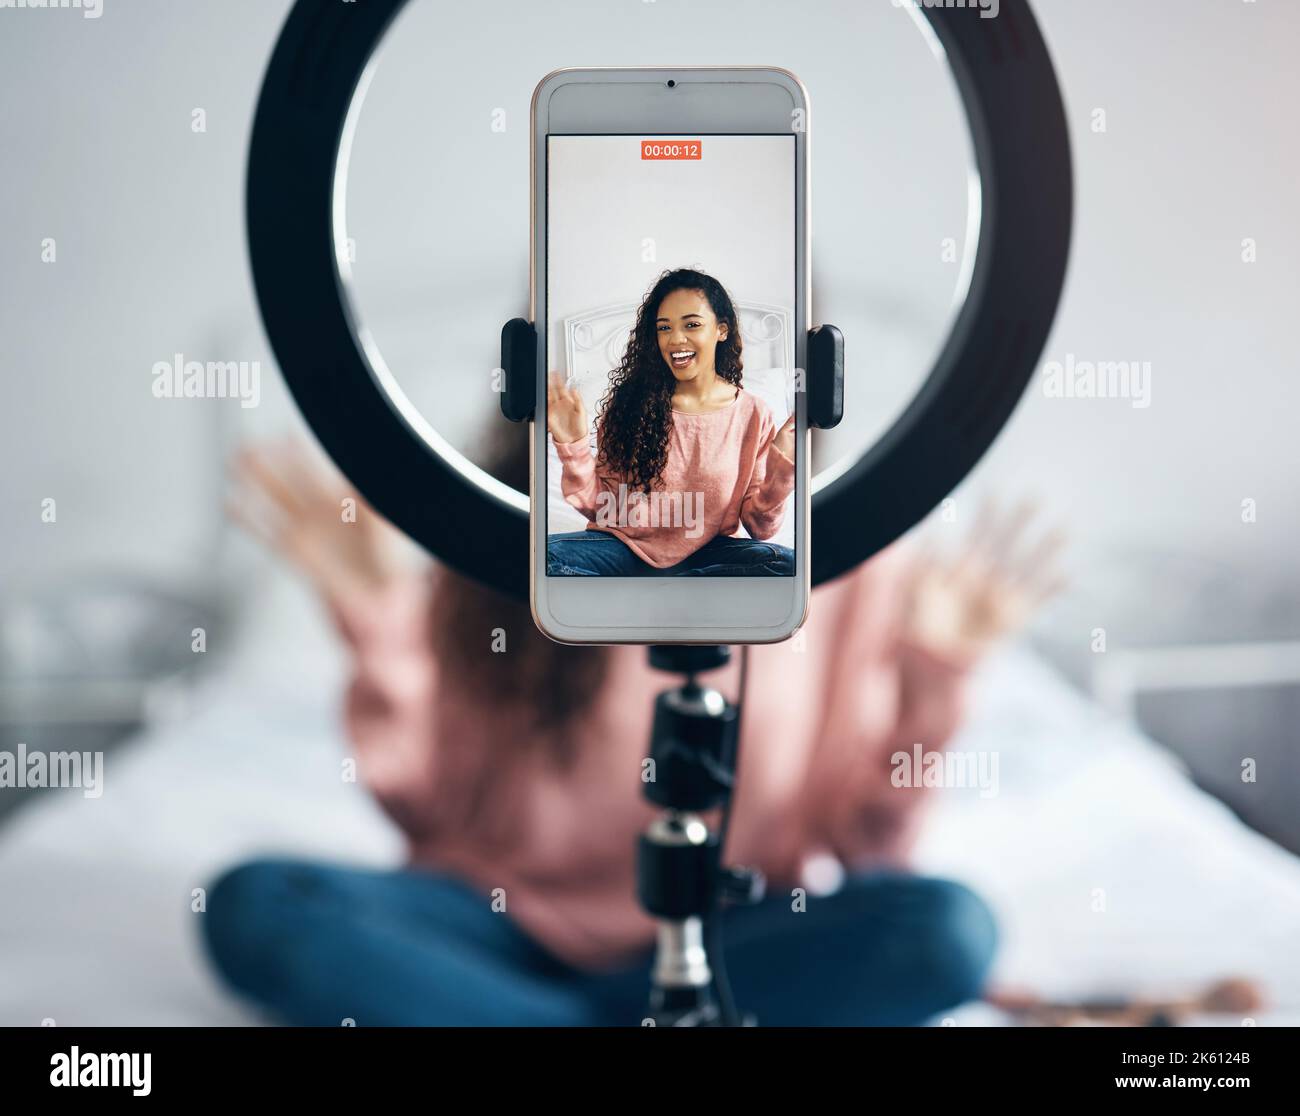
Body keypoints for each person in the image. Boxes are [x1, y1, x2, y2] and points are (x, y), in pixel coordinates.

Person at [202, 429, 1063, 1026]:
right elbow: (432, 814)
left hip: (729, 936)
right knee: (259, 906)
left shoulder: (843, 560)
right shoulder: (496, 534)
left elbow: (869, 854)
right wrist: (380, 621)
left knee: (947, 931)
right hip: (498, 930)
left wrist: (931, 685)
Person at [547, 268, 795, 577]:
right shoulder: (630, 403)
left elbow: (759, 528)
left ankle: (656, 596)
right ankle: (673, 595)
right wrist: (574, 448)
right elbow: (602, 506)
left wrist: (781, 471)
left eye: (692, 324)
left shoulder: (755, 414)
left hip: (708, 554)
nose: (675, 339)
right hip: (623, 549)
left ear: (721, 330)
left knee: (786, 564)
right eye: (664, 328)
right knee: (540, 557)